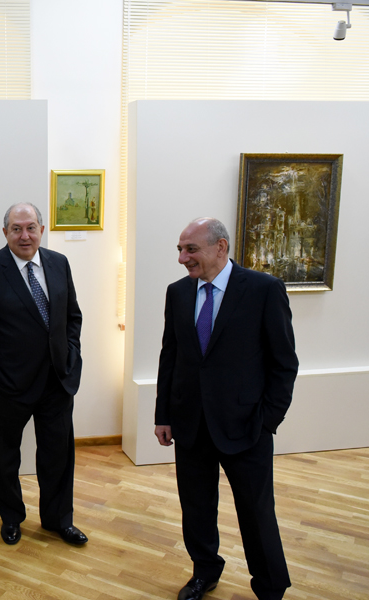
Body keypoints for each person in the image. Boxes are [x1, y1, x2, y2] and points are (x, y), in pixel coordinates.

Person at [155, 218, 298, 600]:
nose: (183, 258)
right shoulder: (177, 293)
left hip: (246, 425)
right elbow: (171, 356)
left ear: (221, 247)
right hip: (190, 423)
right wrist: (163, 415)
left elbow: (284, 362)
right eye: (180, 250)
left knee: (256, 512)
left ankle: (270, 586)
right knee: (196, 508)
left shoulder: (264, 289)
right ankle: (205, 571)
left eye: (191, 250)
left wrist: (268, 420)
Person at [0, 203, 84, 546]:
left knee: (58, 456)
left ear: (42, 229)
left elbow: (72, 317)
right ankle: (11, 517)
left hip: (57, 381)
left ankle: (58, 520)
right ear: (5, 233)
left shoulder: (59, 263)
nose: (24, 235)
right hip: (9, 385)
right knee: (6, 457)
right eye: (16, 229)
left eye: (30, 228)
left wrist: (71, 355)